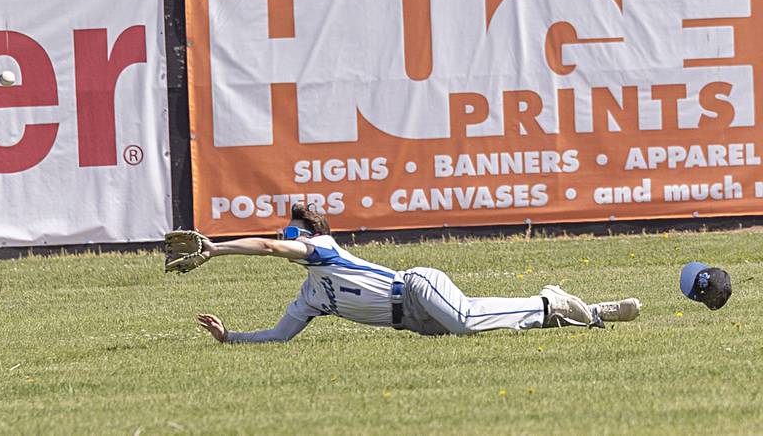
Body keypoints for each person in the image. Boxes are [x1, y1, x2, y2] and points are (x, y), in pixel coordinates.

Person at [196, 204, 641, 343]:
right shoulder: (310, 297)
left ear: (309, 235)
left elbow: (271, 246)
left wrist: (216, 248)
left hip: (415, 285)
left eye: (293, 231)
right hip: (413, 321)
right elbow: (278, 336)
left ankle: (551, 301)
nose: (286, 237)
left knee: (468, 321)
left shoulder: (324, 249)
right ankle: (571, 308)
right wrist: (230, 337)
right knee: (484, 320)